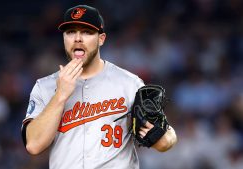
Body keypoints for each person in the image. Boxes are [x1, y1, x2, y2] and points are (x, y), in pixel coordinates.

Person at [21, 4, 177, 169]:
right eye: (71, 32)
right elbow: (33, 145)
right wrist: (60, 95)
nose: (77, 38)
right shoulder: (44, 87)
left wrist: (164, 138)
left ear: (101, 39)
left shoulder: (129, 83)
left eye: (86, 32)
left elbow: (166, 141)